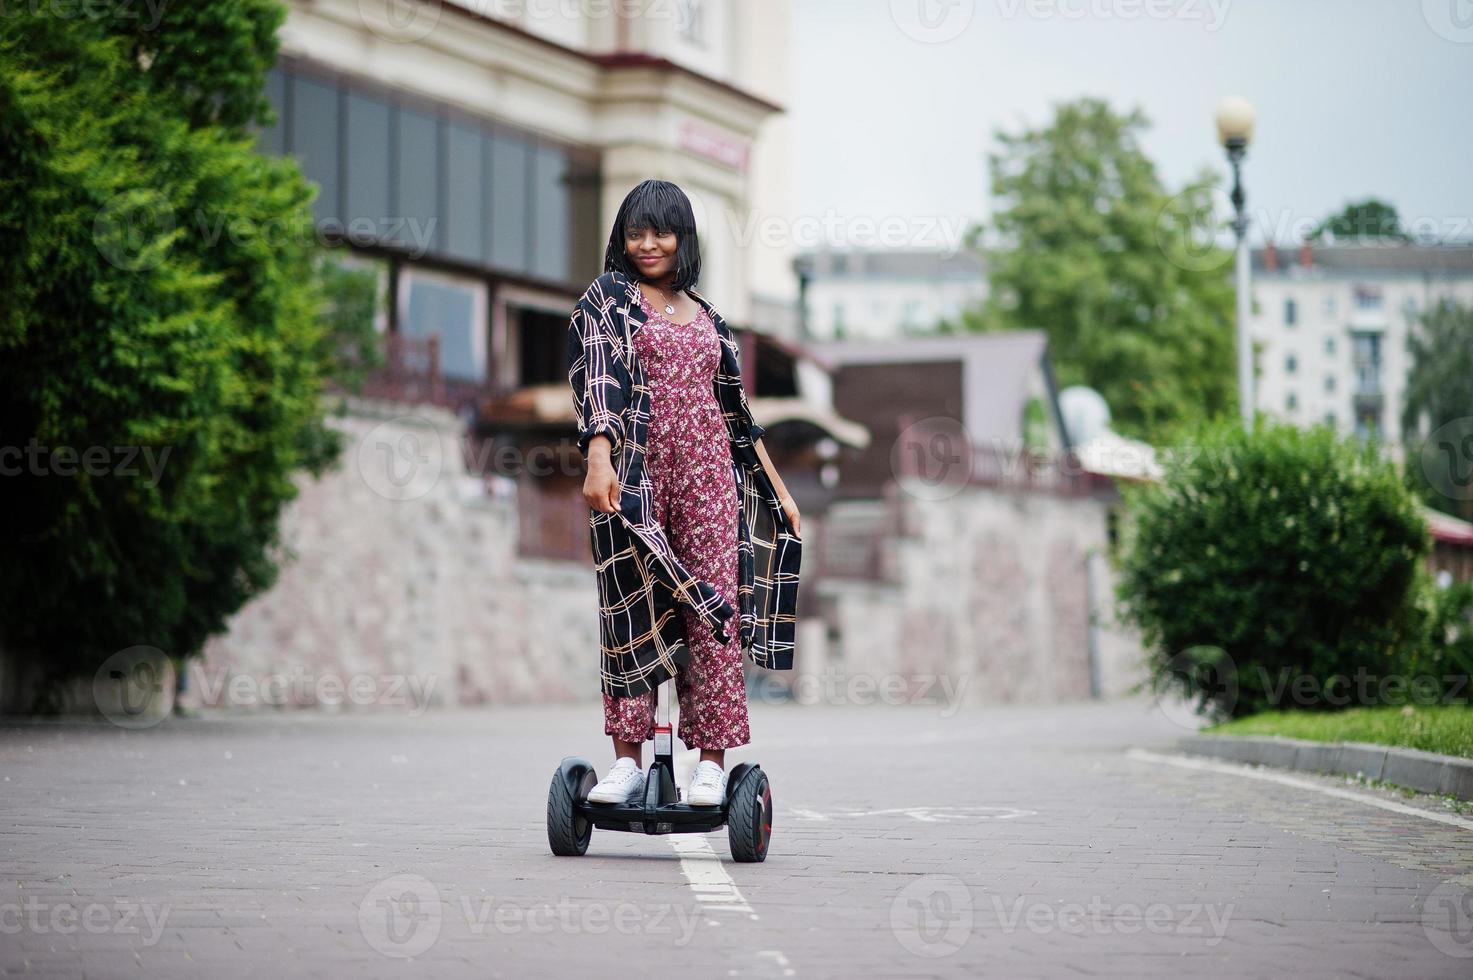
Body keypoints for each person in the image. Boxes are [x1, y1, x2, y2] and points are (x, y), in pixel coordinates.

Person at [567, 179, 801, 807]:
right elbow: (596, 381)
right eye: (635, 232)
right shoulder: (607, 301)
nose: (647, 245)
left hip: (709, 481)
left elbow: (739, 418)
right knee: (629, 608)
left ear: (683, 239)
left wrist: (779, 493)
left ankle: (713, 763)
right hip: (634, 476)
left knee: (713, 617)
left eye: (660, 232)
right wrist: (598, 455)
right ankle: (627, 761)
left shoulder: (709, 320)